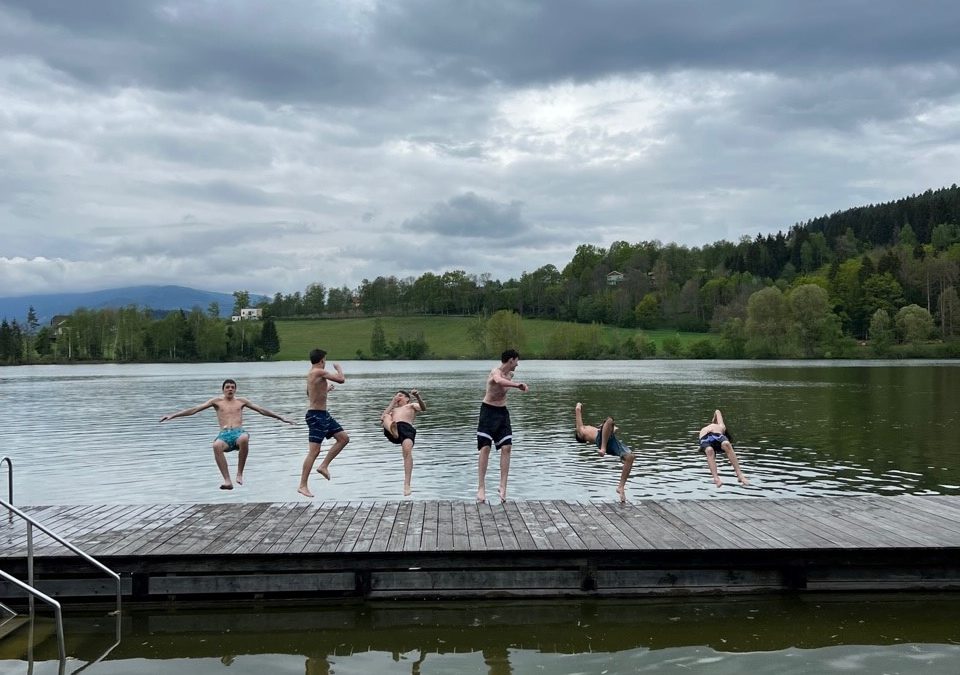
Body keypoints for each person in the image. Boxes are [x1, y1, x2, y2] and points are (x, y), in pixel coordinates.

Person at [159, 379, 294, 490]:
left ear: (235, 390)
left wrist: (281, 418)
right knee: (216, 445)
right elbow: (194, 410)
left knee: (244, 438)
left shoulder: (241, 401)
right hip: (224, 435)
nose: (230, 389)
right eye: (227, 387)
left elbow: (261, 410)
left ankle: (240, 473)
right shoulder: (216, 402)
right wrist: (173, 415)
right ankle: (227, 481)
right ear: (223, 389)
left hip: (238, 432)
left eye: (232, 387)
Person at [476, 348, 529, 503]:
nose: (517, 365)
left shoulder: (511, 375)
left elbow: (507, 382)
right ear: (511, 360)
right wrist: (517, 385)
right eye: (517, 361)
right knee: (485, 448)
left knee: (507, 447)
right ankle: (481, 487)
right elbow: (499, 381)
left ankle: (503, 486)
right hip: (487, 412)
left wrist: (519, 385)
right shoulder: (495, 372)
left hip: (502, 413)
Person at [298, 348, 349, 498]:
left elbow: (309, 393)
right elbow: (341, 379)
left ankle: (324, 466)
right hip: (316, 416)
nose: (325, 362)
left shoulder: (312, 374)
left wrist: (325, 390)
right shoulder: (318, 372)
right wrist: (339, 368)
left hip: (323, 414)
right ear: (321, 360)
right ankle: (302, 485)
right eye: (325, 360)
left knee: (343, 438)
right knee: (314, 451)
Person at [574, 402, 635, 502]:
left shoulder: (589, 431)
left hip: (609, 441)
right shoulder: (581, 431)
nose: (585, 425)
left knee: (630, 457)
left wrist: (611, 429)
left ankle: (621, 487)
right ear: (580, 436)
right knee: (609, 420)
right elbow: (577, 409)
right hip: (602, 442)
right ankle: (603, 448)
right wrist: (579, 404)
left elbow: (605, 431)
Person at [380, 389, 426, 496]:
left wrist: (417, 396)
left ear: (407, 399)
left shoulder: (410, 406)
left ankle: (407, 485)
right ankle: (393, 431)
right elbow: (382, 418)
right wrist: (392, 403)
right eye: (396, 396)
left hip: (406, 429)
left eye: (400, 396)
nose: (398, 398)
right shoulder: (393, 410)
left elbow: (423, 408)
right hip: (393, 428)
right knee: (386, 416)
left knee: (407, 452)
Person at [698, 409, 749, 487]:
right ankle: (716, 478)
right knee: (709, 450)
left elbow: (717, 411)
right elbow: (717, 411)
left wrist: (714, 421)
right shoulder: (720, 425)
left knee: (726, 444)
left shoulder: (722, 427)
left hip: (716, 435)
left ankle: (739, 475)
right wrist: (714, 419)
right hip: (705, 438)